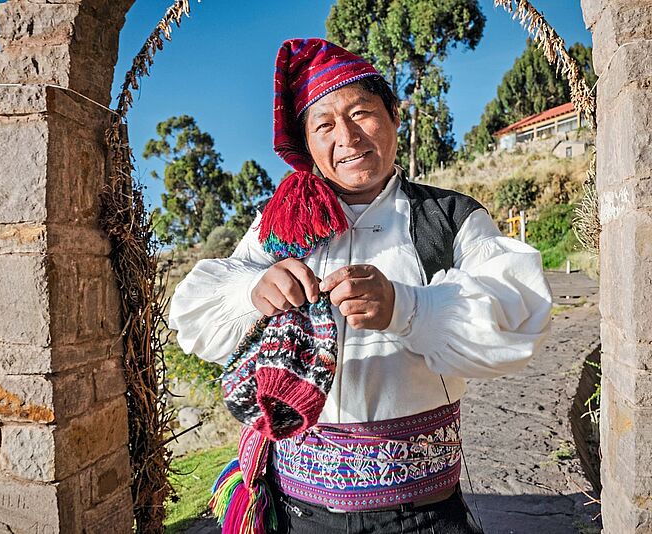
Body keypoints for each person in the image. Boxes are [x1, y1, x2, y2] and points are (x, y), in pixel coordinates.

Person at [169, 38, 552, 534]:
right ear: (308, 146)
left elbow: (517, 316)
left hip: (423, 515)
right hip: (299, 513)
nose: (346, 137)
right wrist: (251, 290)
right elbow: (195, 313)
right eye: (324, 125)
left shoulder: (450, 217)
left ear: (394, 116)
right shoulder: (281, 224)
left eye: (361, 113)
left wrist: (405, 306)